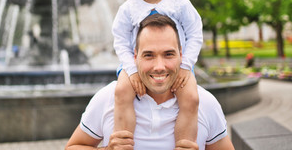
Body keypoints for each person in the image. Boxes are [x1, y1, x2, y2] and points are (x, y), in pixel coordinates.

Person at [65, 14, 234, 150]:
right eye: (149, 55)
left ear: (181, 55)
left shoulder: (205, 102)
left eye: (168, 54)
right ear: (135, 57)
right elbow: (72, 146)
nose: (159, 67)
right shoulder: (109, 97)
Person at [112, 0, 203, 145]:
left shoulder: (179, 3)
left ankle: (184, 145)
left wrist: (186, 65)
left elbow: (195, 33)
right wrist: (132, 71)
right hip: (138, 65)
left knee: (191, 98)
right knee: (122, 91)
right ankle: (123, 144)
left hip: (176, 65)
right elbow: (120, 41)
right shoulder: (127, 9)